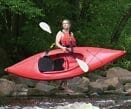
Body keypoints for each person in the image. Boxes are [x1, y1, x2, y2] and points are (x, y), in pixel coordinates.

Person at [55, 19, 77, 93]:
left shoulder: (71, 33)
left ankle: (60, 85)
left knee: (69, 68)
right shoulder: (60, 33)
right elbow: (57, 43)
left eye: (66, 23)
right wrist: (62, 47)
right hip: (63, 52)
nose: (64, 25)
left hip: (70, 53)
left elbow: (73, 43)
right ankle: (66, 87)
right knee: (66, 69)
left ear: (69, 25)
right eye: (63, 24)